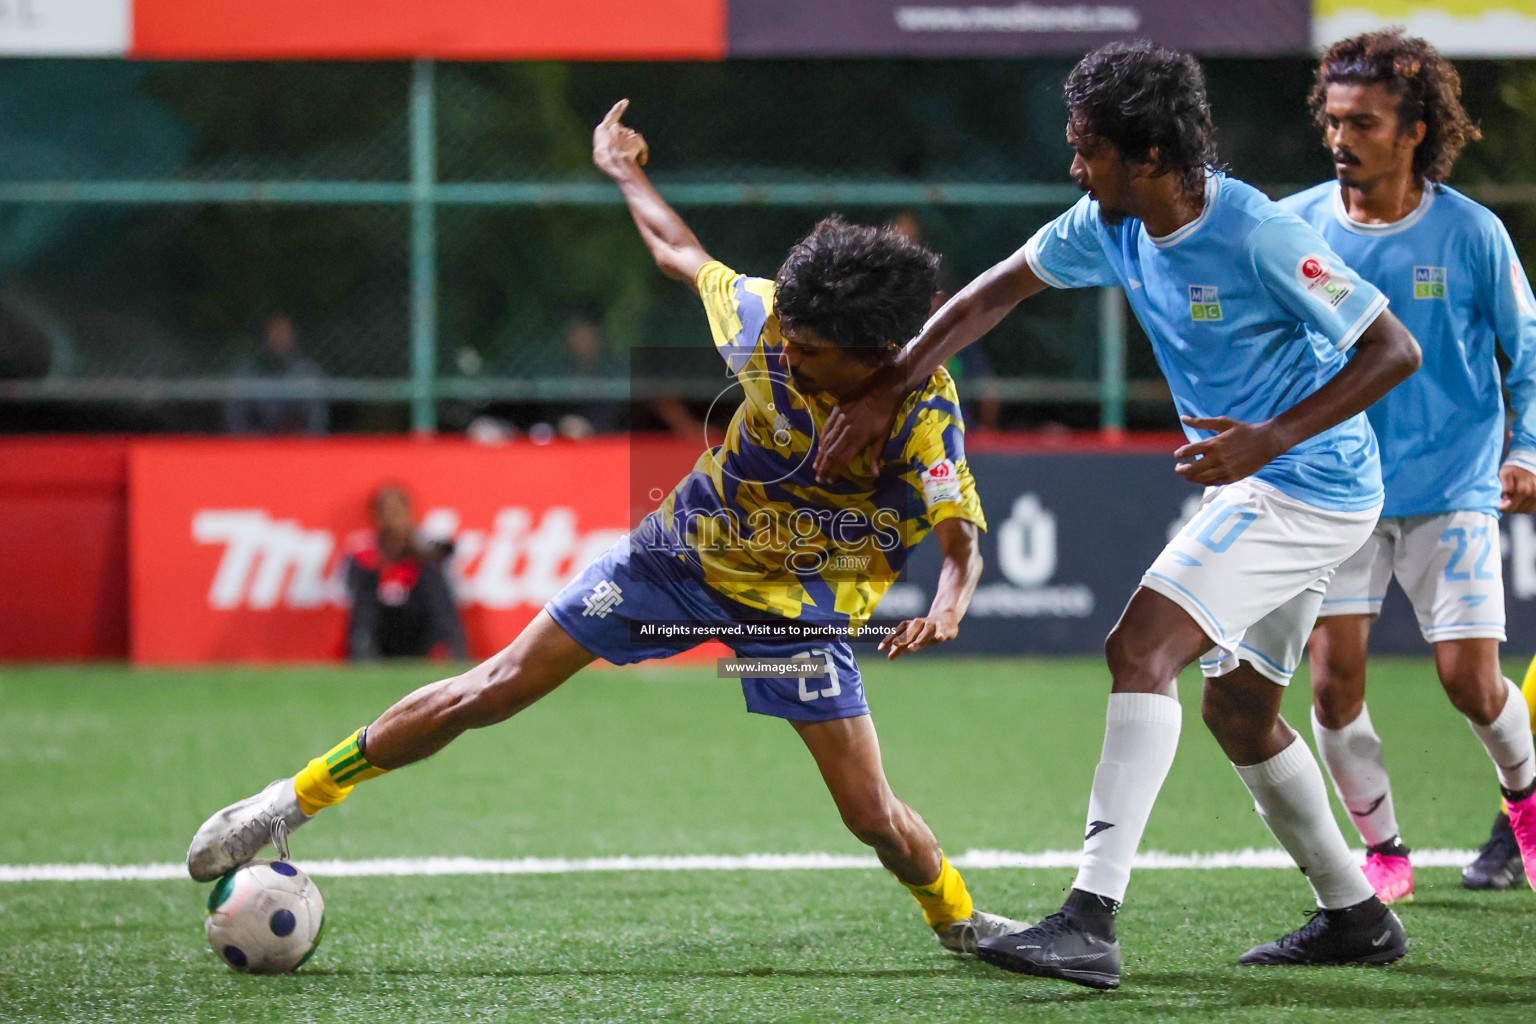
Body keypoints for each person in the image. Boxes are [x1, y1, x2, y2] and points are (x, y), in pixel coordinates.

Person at [184, 99, 1024, 956]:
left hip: (797, 615)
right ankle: (288, 802)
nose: (788, 355)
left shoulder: (923, 412)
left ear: (876, 352)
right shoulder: (769, 322)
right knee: (495, 685)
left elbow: (959, 533)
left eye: (810, 351)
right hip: (679, 557)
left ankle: (960, 920)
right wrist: (624, 168)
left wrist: (952, 600)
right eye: (790, 339)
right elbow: (677, 252)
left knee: (871, 816)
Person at [813, 41, 1423, 988]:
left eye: (1087, 147)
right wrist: (890, 387)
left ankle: (1088, 919)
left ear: (1148, 156)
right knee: (1239, 708)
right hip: (1264, 483)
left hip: (1306, 483)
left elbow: (1392, 349)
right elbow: (989, 296)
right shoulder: (1111, 221)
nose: (1074, 165)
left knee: (1140, 648)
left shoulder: (1255, 231)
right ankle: (1356, 913)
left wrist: (1265, 439)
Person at [1276, 30, 1536, 904]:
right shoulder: (1299, 226)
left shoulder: (1472, 233)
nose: (1341, 139)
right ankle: (1383, 852)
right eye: (1334, 121)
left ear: (1415, 130)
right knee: (1332, 677)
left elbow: (1527, 349)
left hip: (1452, 485)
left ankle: (1527, 802)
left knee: (1469, 678)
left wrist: (1527, 446)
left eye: (1364, 122)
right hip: (1340, 487)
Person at [344, 483, 469, 661]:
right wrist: (385, 562)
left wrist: (412, 550)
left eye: (398, 511)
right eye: (387, 512)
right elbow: (352, 586)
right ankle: (363, 653)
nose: (394, 518)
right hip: (382, 628)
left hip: (418, 627)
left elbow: (447, 550)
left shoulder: (422, 547)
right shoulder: (366, 552)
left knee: (431, 577)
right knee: (367, 591)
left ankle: (455, 650)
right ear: (377, 516)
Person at [223, 312, 329, 435]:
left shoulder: (308, 372)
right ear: (265, 336)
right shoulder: (247, 371)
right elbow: (236, 417)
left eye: (283, 331)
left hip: (297, 443)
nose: (278, 336)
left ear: (292, 336)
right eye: (274, 331)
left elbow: (316, 420)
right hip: (256, 442)